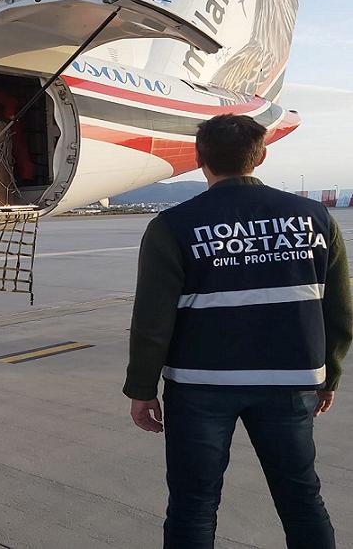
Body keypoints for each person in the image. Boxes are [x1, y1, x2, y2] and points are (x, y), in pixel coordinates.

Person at [123, 114, 352, 549]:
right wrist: (329, 374)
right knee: (301, 499)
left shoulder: (173, 225)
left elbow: (153, 319)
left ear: (199, 158)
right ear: (260, 156)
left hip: (200, 386)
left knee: (193, 505)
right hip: (290, 381)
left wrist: (142, 388)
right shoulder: (314, 217)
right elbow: (339, 309)